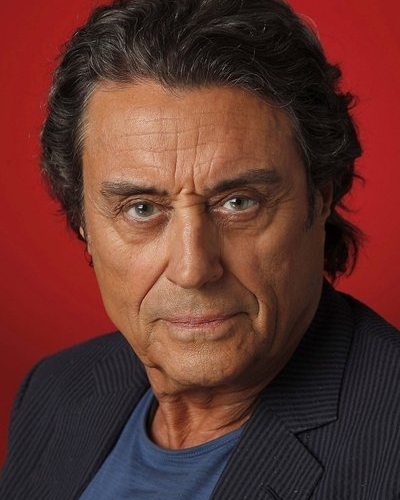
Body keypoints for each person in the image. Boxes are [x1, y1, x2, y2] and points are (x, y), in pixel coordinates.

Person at [1, 0, 399, 498]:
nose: (193, 269)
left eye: (238, 202)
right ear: (83, 222)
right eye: (142, 208)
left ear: (320, 198)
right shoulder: (56, 390)